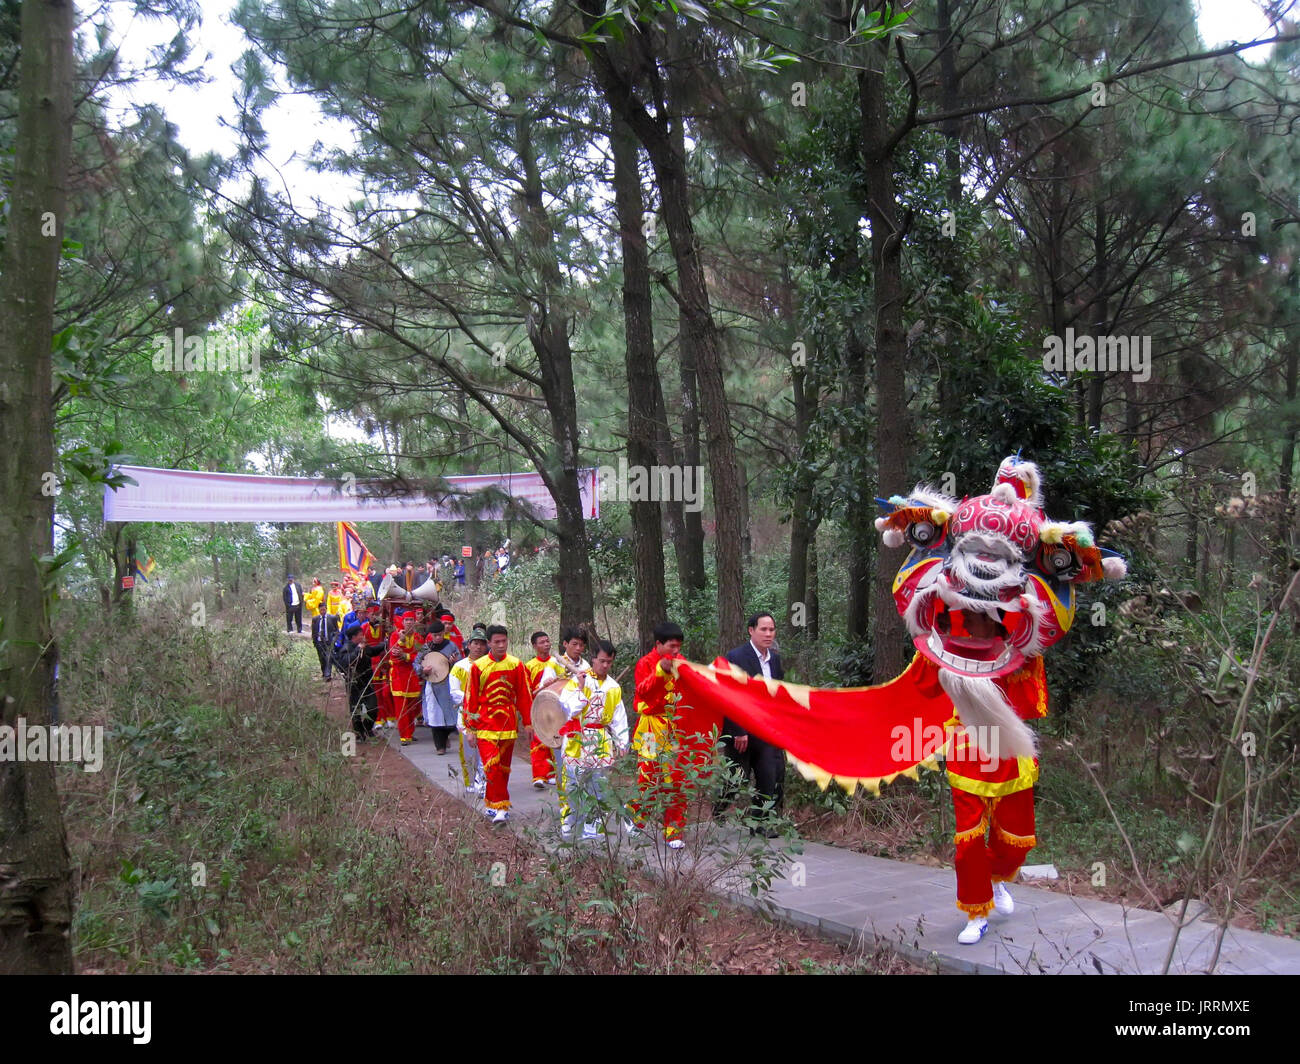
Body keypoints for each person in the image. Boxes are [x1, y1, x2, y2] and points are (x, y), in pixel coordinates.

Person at [715, 611, 786, 833]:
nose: (768, 634)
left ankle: (761, 822)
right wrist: (738, 730)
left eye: (771, 629)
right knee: (737, 777)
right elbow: (728, 695)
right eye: (763, 629)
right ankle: (720, 808)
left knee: (769, 774)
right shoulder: (736, 657)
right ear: (751, 630)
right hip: (741, 729)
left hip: (765, 728)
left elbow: (778, 693)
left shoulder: (774, 659)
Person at [556, 640, 628, 840]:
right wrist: (579, 688)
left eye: (609, 662)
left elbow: (618, 717)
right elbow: (569, 708)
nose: (605, 665)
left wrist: (622, 743)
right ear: (593, 659)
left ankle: (592, 825)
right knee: (573, 784)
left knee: (599, 785)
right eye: (602, 661)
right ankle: (569, 822)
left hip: (601, 740)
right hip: (577, 737)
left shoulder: (613, 687)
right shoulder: (580, 680)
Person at [463, 625, 534, 824]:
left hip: (508, 723)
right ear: (489, 643)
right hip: (485, 723)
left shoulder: (516, 665)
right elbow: (470, 699)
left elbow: (524, 696)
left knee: (503, 768)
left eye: (504, 641)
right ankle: (502, 806)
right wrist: (470, 728)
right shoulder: (478, 666)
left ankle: (492, 802)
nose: (501, 645)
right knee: (491, 766)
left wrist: (528, 723)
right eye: (497, 642)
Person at [630, 621, 689, 849]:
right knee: (647, 776)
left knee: (675, 779)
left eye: (678, 646)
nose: (676, 651)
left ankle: (674, 831)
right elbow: (642, 691)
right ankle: (637, 816)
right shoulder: (645, 663)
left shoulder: (681, 662)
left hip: (674, 730)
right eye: (672, 646)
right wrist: (660, 672)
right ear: (658, 644)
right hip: (650, 729)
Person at [532, 627, 589, 789]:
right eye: (574, 644)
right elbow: (544, 687)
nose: (578, 648)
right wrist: (547, 683)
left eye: (581, 645)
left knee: (580, 760)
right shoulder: (554, 662)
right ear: (565, 644)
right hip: (558, 717)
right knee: (562, 759)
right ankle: (565, 802)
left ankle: (579, 796)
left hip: (578, 718)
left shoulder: (585, 665)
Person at [451, 630, 490, 796]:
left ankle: (482, 783)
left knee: (485, 750)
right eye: (475, 644)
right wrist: (473, 700)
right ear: (469, 645)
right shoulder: (459, 667)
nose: (479, 647)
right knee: (468, 751)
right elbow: (454, 692)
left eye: (482, 644)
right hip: (466, 714)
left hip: (486, 715)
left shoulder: (490, 666)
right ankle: (469, 781)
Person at [421, 620, 461, 753]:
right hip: (432, 685)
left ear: (443, 633)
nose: (437, 638)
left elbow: (460, 663)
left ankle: (446, 736)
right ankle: (440, 746)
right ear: (431, 635)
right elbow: (416, 663)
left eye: (439, 634)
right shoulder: (426, 648)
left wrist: (454, 663)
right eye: (435, 635)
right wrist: (423, 670)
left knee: (449, 715)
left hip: (447, 684)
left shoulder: (451, 646)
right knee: (434, 715)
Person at [333, 621, 378, 740]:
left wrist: (387, 644)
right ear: (354, 637)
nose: (363, 636)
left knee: (373, 707)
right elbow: (345, 663)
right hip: (354, 683)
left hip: (366, 681)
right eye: (360, 634)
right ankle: (359, 732)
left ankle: (368, 728)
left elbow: (373, 651)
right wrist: (358, 650)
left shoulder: (364, 647)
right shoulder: (347, 648)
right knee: (356, 708)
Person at [388, 611, 424, 747]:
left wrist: (407, 656)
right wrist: (401, 642)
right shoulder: (395, 636)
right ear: (402, 622)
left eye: (411, 619)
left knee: (413, 706)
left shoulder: (419, 638)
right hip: (398, 676)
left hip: (413, 676)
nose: (409, 622)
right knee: (401, 707)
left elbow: (421, 656)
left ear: (415, 622)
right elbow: (394, 655)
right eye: (406, 620)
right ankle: (404, 735)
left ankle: (410, 731)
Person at [305, 578, 330, 678]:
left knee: (327, 656)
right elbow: (314, 630)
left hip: (316, 606)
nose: (313, 583)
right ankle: (324, 672)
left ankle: (328, 673)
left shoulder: (319, 590)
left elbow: (316, 600)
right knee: (321, 657)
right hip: (319, 640)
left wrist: (309, 601)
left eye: (314, 581)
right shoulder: (315, 619)